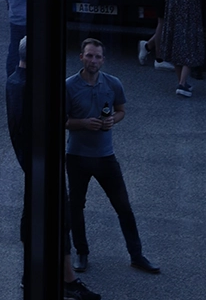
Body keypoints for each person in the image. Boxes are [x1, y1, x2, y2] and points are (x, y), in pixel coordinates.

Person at [5, 39, 99, 300]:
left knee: (36, 215)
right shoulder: (28, 87)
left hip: (35, 164)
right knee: (60, 217)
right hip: (41, 164)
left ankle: (33, 273)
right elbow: (29, 129)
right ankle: (67, 281)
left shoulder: (17, 81)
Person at [64, 38, 160, 274]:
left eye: (97, 56)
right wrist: (83, 123)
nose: (93, 60)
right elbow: (62, 120)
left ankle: (136, 255)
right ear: (81, 57)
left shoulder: (113, 83)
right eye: (89, 55)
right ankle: (82, 252)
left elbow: (121, 111)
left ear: (103, 60)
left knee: (123, 206)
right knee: (76, 207)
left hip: (105, 156)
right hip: (77, 156)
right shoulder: (69, 86)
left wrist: (112, 120)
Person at [157, 0, 204, 95]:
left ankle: (180, 81)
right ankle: (182, 83)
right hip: (188, 5)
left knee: (176, 41)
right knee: (189, 41)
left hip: (173, 3)